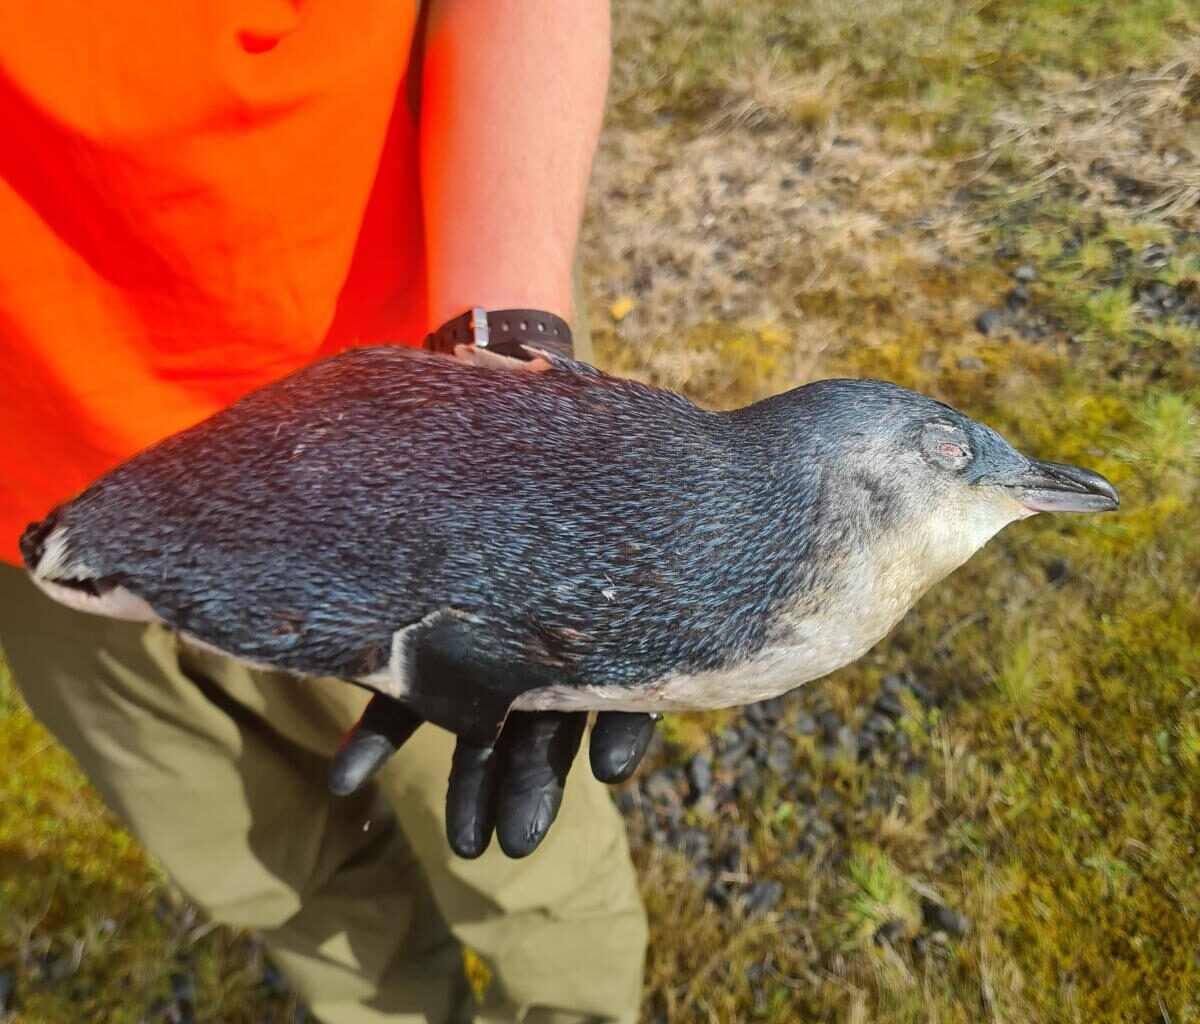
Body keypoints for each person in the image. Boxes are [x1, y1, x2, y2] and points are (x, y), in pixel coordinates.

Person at [0, 3, 651, 1021]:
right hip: (35, 516)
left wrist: (507, 383)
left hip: (401, 456)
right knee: (263, 860)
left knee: (522, 852)